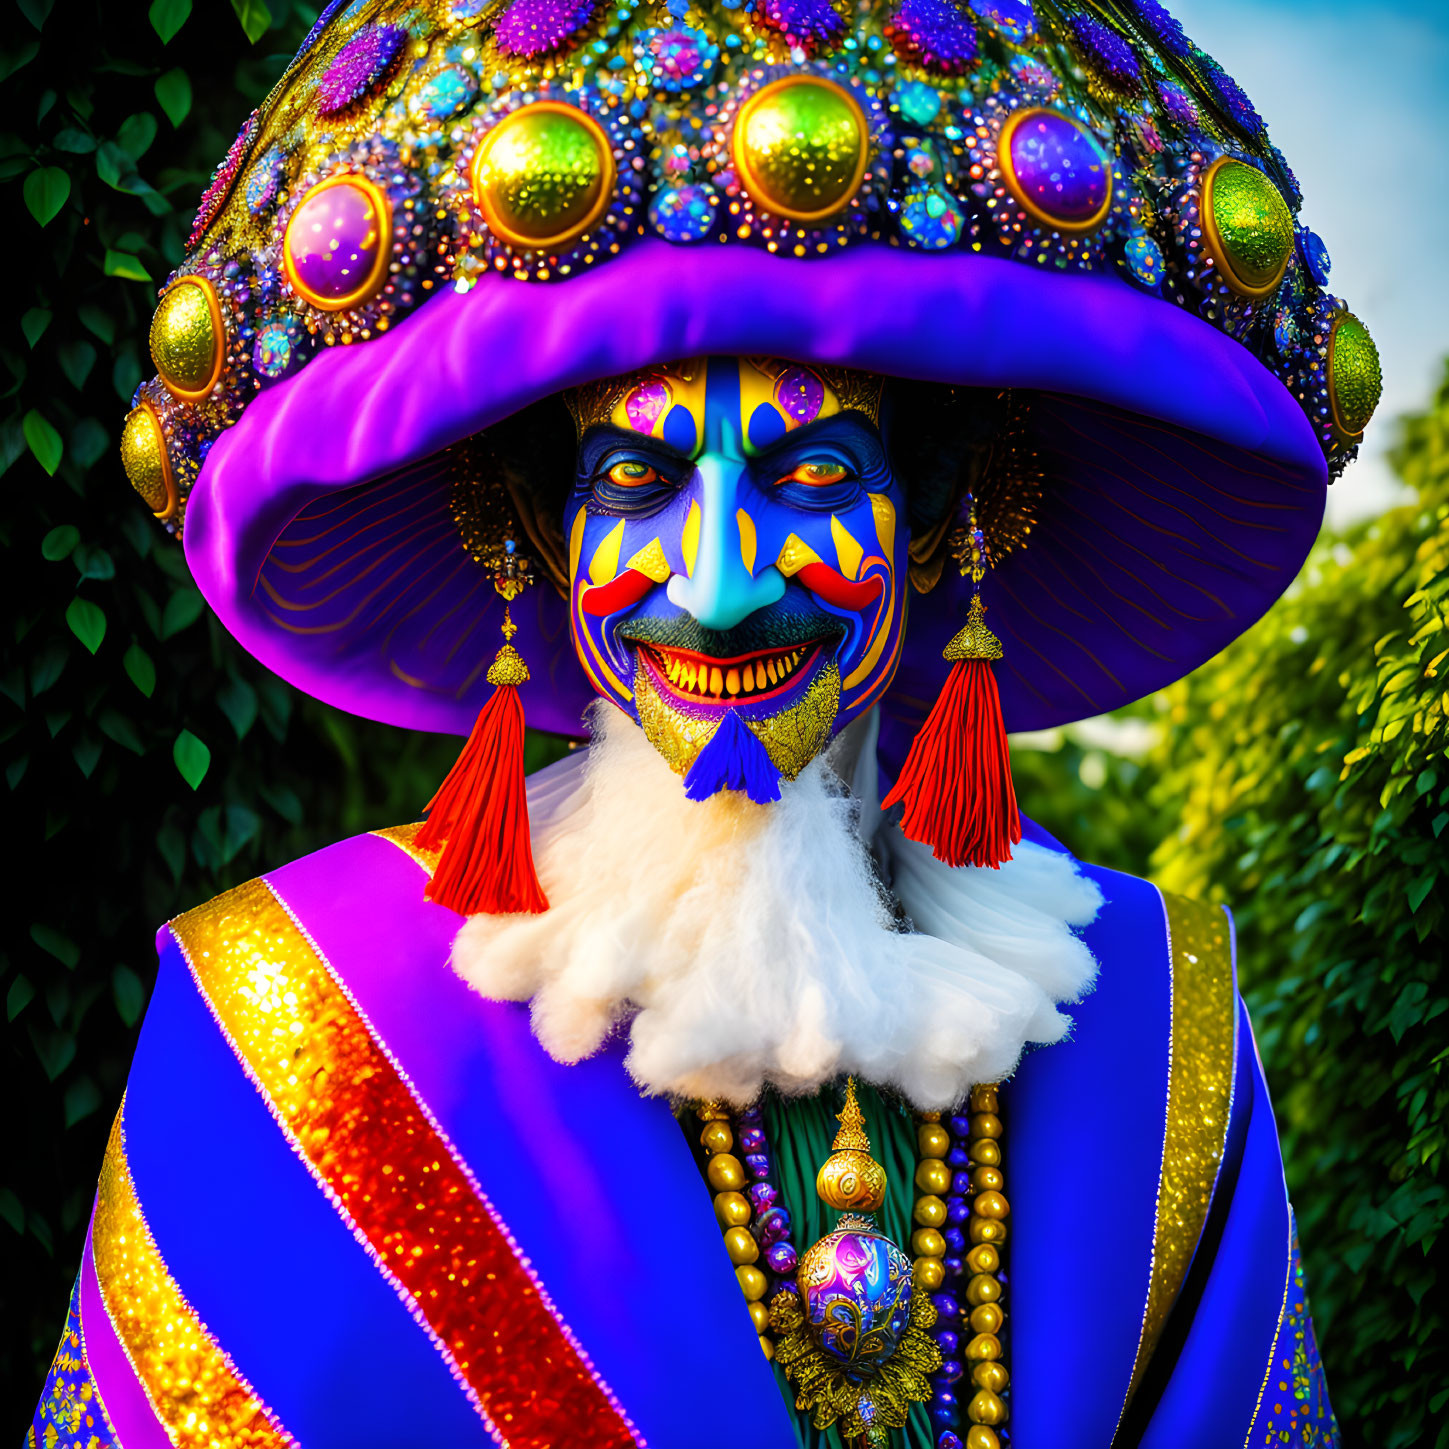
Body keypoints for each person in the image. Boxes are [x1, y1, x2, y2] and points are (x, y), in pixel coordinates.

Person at [31, 0, 1379, 1443]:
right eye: (633, 479)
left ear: (941, 527)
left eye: (806, 475)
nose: (722, 588)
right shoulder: (294, 1019)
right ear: (533, 538)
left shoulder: (1152, 1011)